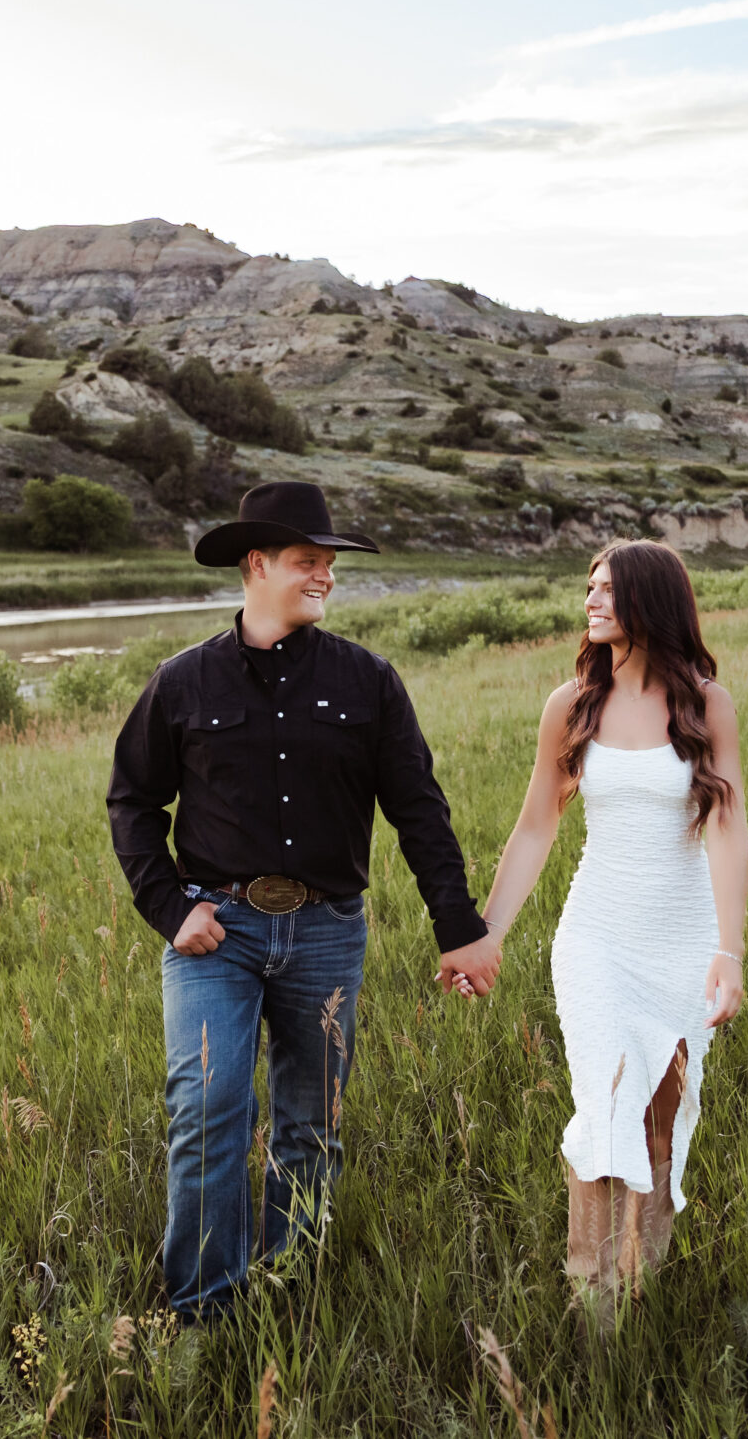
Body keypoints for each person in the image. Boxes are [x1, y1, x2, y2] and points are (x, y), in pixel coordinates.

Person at [108, 480, 502, 1322]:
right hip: (219, 931)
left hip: (327, 933)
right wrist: (171, 909)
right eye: (305, 562)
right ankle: (205, 1310)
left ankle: (289, 1288)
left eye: (328, 564)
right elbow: (132, 802)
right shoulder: (182, 683)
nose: (323, 576)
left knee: (309, 1123)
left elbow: (419, 810)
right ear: (256, 565)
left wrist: (459, 929)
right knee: (207, 1107)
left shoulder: (369, 681)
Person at [460, 539, 748, 1318]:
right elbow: (534, 830)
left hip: (682, 940)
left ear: (652, 602)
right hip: (594, 937)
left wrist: (729, 948)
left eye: (607, 590)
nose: (590, 601)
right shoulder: (571, 704)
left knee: (657, 1120)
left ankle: (639, 1282)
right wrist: (486, 932)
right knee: (602, 1107)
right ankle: (593, 1299)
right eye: (588, 588)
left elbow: (727, 825)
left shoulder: (704, 702)